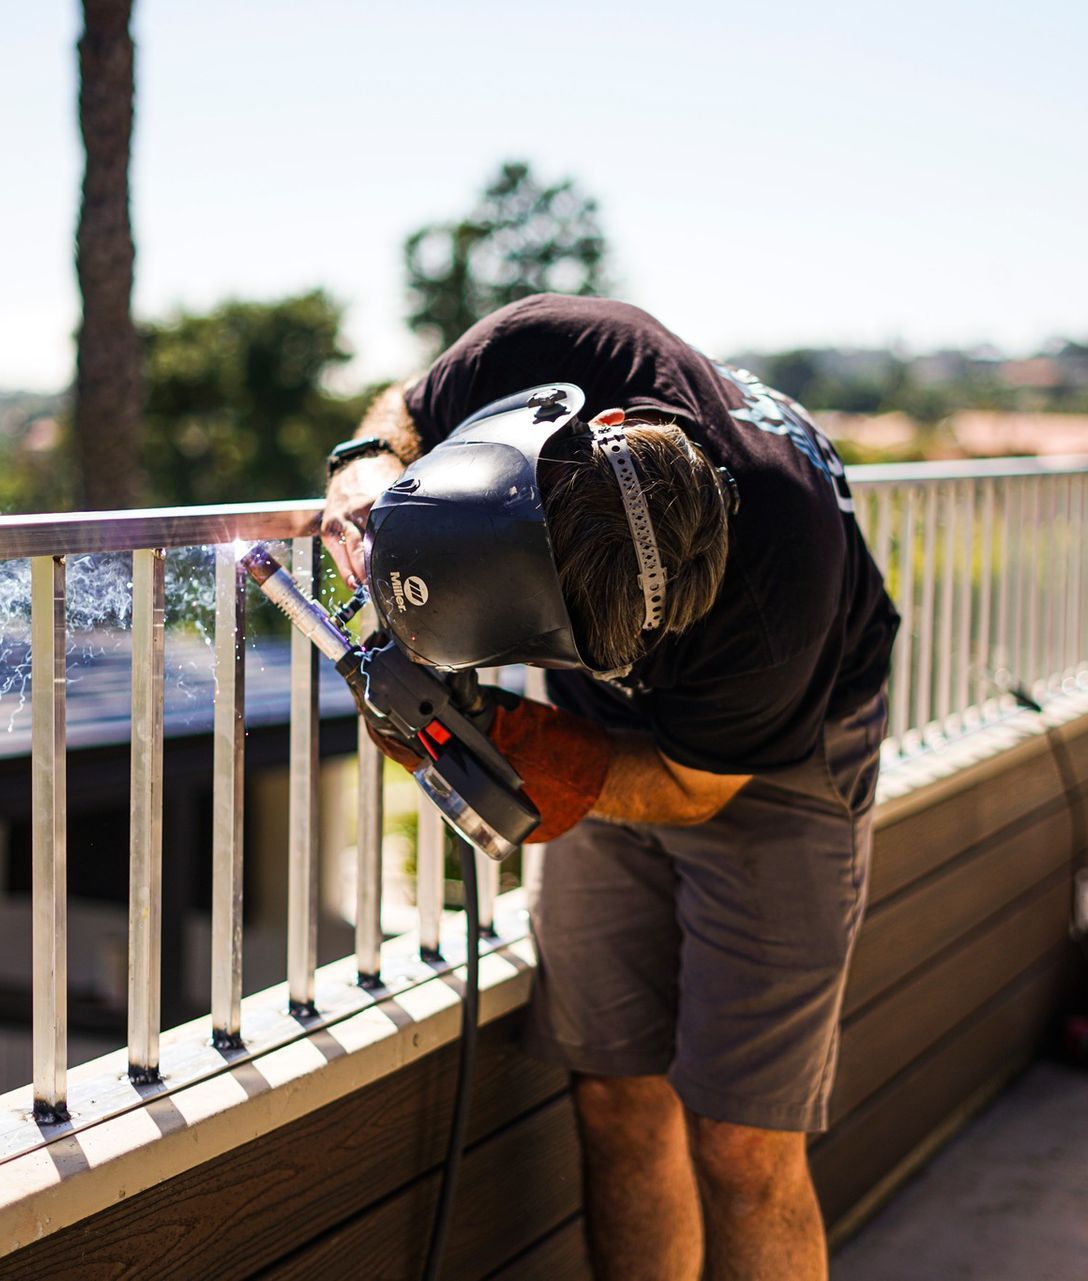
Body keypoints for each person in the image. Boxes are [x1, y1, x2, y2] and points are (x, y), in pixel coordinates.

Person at [321, 295, 897, 1280]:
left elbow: (689, 789)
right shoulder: (558, 347)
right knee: (616, 1091)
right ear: (588, 434)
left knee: (742, 1144)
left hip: (764, 761)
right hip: (616, 724)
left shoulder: (775, 592)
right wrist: (374, 486)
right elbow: (398, 415)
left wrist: (537, 759)